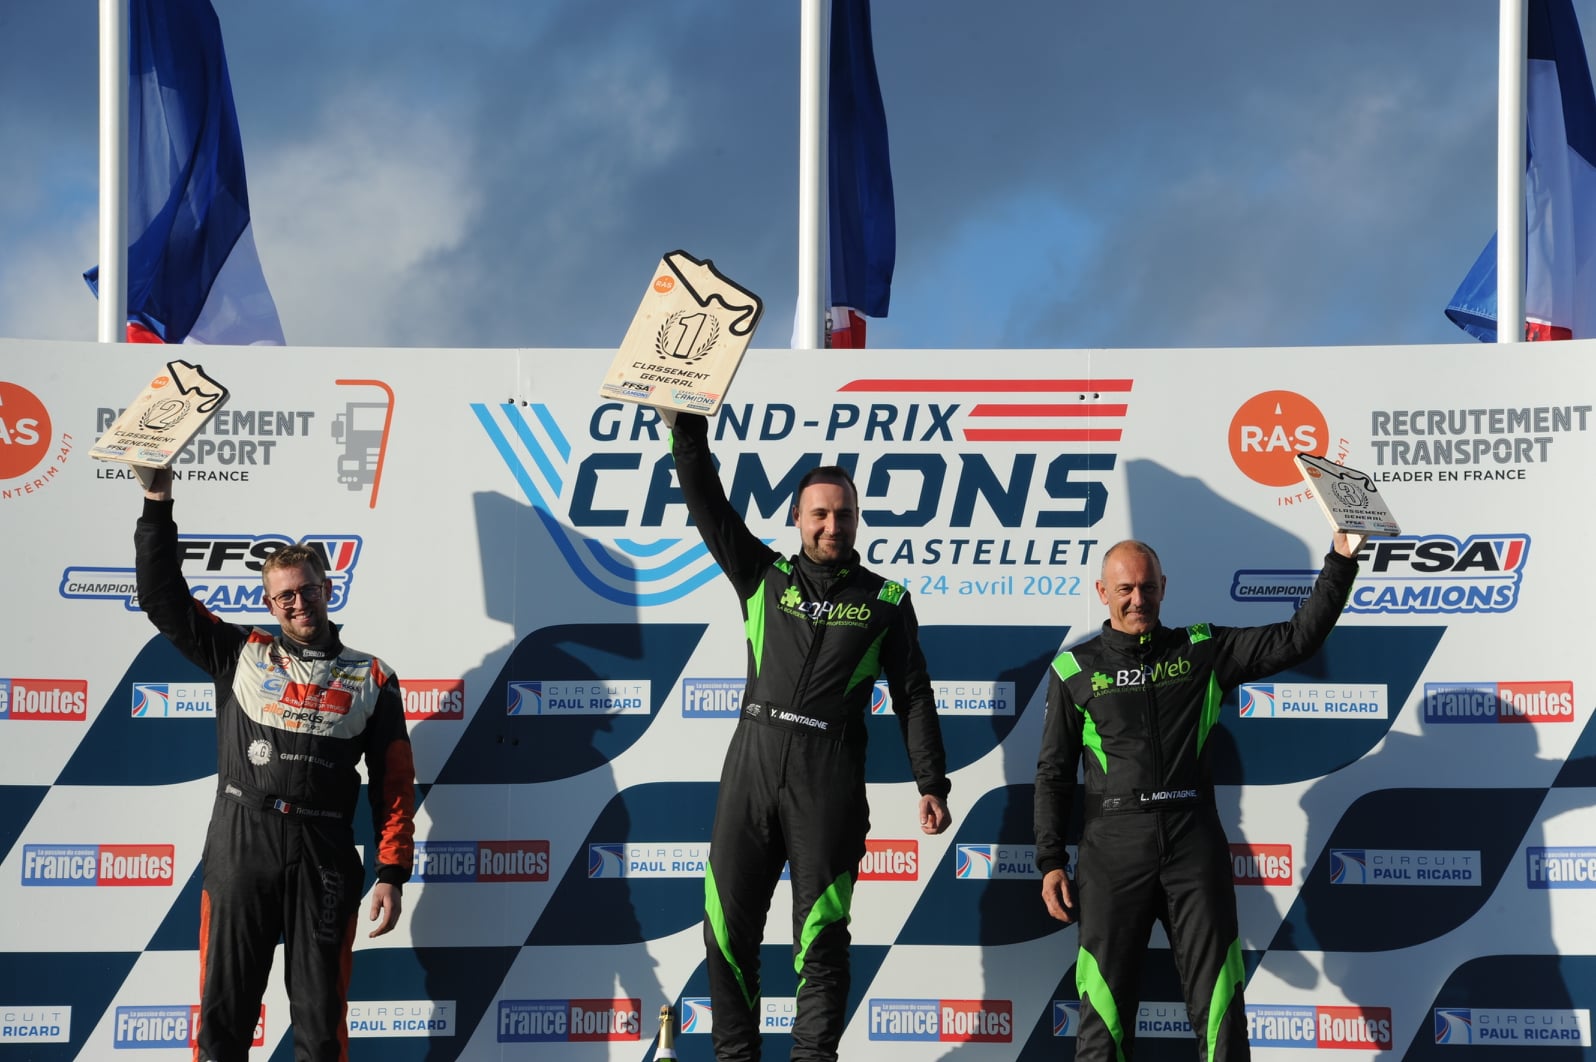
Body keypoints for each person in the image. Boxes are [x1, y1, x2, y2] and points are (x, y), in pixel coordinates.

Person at [667, 410, 953, 1062]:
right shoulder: (761, 577)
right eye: (819, 514)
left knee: (820, 940)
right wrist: (687, 434)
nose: (832, 525)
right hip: (752, 765)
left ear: (858, 520)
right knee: (725, 933)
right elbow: (709, 507)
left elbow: (912, 694)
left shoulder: (886, 600)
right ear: (796, 517)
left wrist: (931, 781)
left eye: (844, 515)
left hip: (828, 777)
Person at [1034, 534, 1358, 1062]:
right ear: (1102, 592)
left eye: (1147, 588)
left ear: (1164, 588)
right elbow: (1052, 772)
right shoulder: (1074, 669)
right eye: (1125, 589)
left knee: (1221, 1008)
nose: (1137, 600)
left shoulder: (1201, 649)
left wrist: (1341, 560)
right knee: (1103, 1015)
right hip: (1112, 850)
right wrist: (1050, 859)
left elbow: (1297, 638)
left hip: (1192, 844)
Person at [133, 468, 415, 1062]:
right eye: (285, 596)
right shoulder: (241, 651)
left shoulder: (373, 676)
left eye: (308, 590)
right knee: (224, 1020)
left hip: (324, 850)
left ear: (327, 589)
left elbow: (393, 786)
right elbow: (161, 598)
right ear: (269, 604)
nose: (298, 602)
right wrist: (157, 503)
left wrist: (392, 872)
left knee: (319, 1027)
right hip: (243, 840)